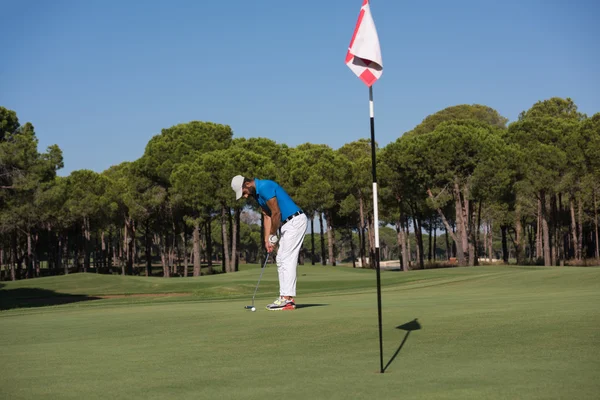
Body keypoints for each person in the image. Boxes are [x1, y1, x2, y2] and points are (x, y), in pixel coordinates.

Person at [231, 175, 308, 311]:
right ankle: (285, 297)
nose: (245, 197)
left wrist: (273, 234)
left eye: (244, 192)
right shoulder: (257, 195)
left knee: (286, 258)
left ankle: (287, 299)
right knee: (281, 258)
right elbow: (267, 215)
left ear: (247, 184)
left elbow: (276, 213)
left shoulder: (265, 186)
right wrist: (267, 239)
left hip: (295, 221)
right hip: (287, 224)